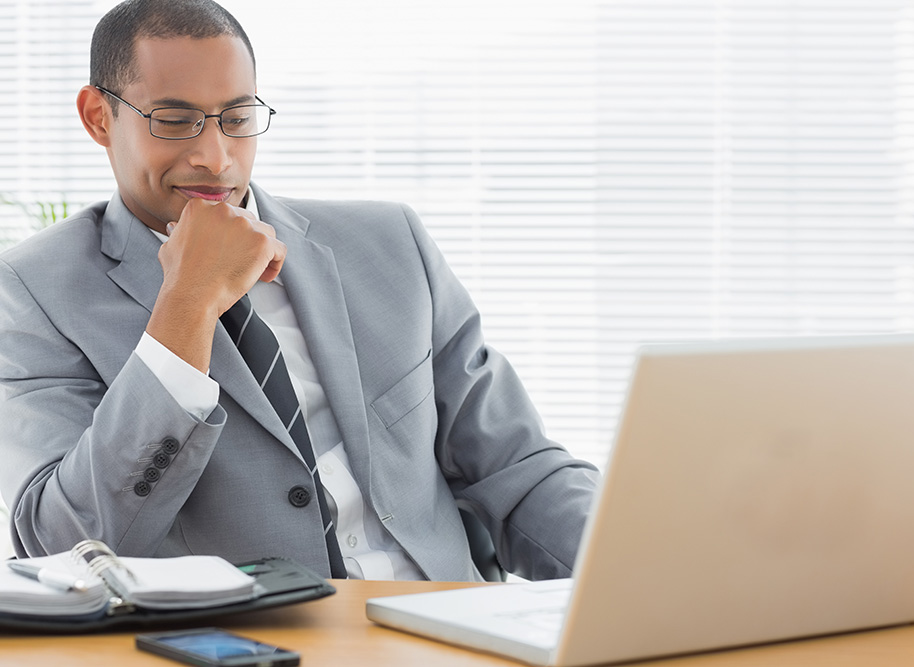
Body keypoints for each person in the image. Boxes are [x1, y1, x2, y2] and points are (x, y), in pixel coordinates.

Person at [0, 0, 598, 581]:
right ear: (99, 118)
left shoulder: (390, 243)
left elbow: (515, 470)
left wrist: (642, 570)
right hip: (249, 644)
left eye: (236, 119)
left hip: (446, 625)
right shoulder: (35, 291)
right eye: (176, 121)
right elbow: (65, 544)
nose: (215, 158)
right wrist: (188, 302)